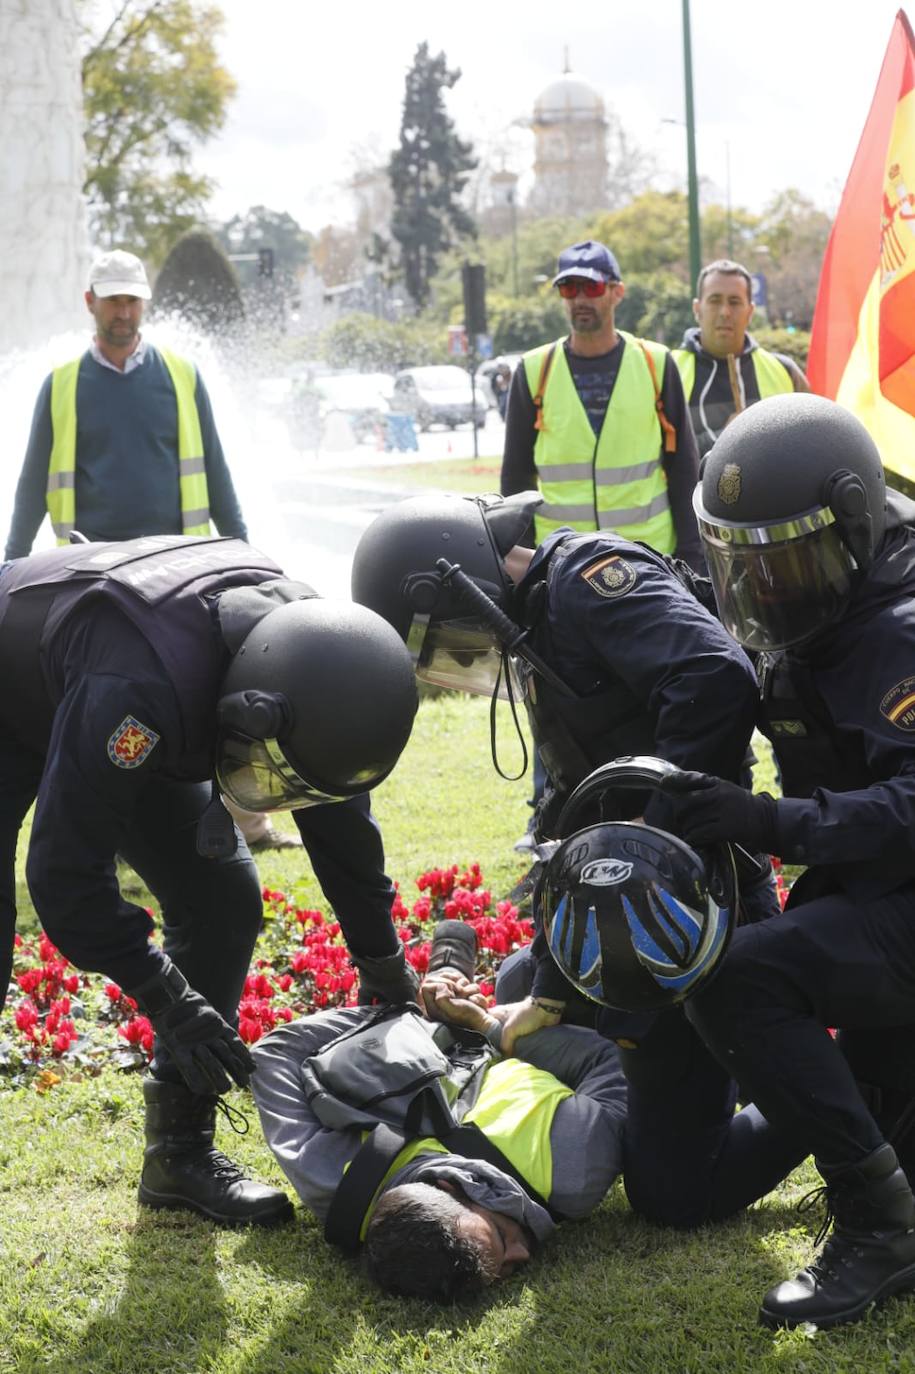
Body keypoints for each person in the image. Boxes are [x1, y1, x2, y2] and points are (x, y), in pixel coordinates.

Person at [0, 532, 418, 1226]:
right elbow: (65, 873)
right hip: (27, 681)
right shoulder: (138, 695)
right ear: (245, 711)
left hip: (98, 676)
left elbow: (337, 823)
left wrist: (383, 963)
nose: (270, 790)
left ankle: (178, 1155)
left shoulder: (316, 661)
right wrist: (165, 996)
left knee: (220, 898)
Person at [658, 392, 915, 1329]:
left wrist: (770, 822)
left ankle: (876, 1227)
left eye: (787, 561)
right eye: (744, 564)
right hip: (882, 891)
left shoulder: (898, 631)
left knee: (733, 982)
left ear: (850, 528)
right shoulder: (834, 611)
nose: (764, 588)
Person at [350, 490, 780, 1050]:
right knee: (522, 981)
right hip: (636, 895)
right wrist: (548, 991)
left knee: (725, 1070)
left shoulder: (589, 583)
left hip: (702, 881)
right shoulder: (535, 628)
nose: (463, 657)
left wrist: (654, 829)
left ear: (464, 588)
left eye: (453, 640)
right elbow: (570, 804)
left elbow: (715, 679)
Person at [3, 248, 294, 852]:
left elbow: (217, 476)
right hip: (95, 583)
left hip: (177, 581)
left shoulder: (182, 377)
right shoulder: (61, 386)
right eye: (111, 299)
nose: (123, 311)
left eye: (132, 299)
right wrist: (10, 567)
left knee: (211, 699)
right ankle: (115, 837)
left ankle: (247, 823)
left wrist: (245, 556)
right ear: (90, 303)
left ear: (145, 304)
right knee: (103, 713)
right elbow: (31, 487)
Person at [249, 920, 627, 1300]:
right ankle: (448, 987)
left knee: (517, 976)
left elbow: (272, 1055)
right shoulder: (573, 1175)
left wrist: (416, 1018)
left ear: (454, 1186)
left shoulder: (333, 1179)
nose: (523, 1252)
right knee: (517, 973)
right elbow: (611, 1060)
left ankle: (441, 990)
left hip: (442, 1038)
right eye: (506, 1270)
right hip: (500, 1034)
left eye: (501, 1234)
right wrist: (485, 1027)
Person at [499, 239, 702, 569]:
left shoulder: (656, 364)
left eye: (590, 287)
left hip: (649, 561)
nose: (579, 299)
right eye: (568, 288)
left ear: (616, 292)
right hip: (564, 564)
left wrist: (693, 560)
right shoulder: (534, 370)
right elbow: (515, 479)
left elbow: (683, 471)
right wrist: (523, 563)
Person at [671, 258, 809, 458]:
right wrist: (726, 437)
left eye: (734, 302)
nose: (725, 312)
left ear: (750, 311)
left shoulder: (785, 371)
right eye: (715, 300)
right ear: (697, 309)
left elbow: (811, 441)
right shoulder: (668, 371)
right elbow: (661, 453)